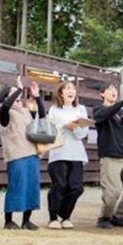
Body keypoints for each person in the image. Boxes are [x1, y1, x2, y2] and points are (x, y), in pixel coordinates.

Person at [0, 76, 44, 230]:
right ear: (6, 98)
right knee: (16, 186)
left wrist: (37, 96)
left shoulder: (25, 111)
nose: (18, 96)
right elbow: (6, 106)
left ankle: (26, 220)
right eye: (13, 94)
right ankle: (8, 220)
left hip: (32, 153)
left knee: (32, 187)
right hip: (16, 155)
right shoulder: (4, 113)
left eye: (18, 94)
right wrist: (18, 89)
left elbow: (42, 117)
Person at [93, 84, 123, 229]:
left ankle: (119, 216)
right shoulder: (99, 110)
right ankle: (104, 217)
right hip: (109, 156)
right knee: (112, 192)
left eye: (115, 90)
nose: (114, 92)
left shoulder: (121, 113)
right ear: (102, 94)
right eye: (110, 89)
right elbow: (103, 115)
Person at [46, 81, 89, 230]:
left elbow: (83, 133)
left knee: (77, 187)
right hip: (58, 153)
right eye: (67, 89)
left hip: (76, 153)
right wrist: (64, 126)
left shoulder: (81, 109)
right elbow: (50, 131)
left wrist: (75, 128)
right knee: (59, 185)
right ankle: (53, 217)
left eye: (73, 89)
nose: (71, 91)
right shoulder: (54, 110)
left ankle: (65, 215)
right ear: (61, 93)